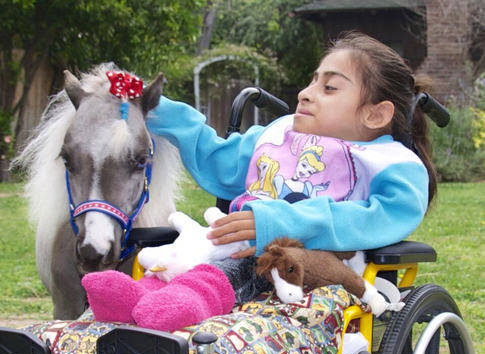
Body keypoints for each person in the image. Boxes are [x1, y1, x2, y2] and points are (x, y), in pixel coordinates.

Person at [83, 31, 437, 331]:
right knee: (180, 261)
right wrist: (154, 106)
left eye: (329, 87)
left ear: (375, 114)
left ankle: (179, 304)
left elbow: (387, 214)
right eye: (313, 80)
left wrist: (277, 223)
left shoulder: (388, 162)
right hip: (225, 249)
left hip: (300, 267)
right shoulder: (278, 135)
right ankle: (139, 299)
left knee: (227, 266)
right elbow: (218, 159)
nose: (306, 92)